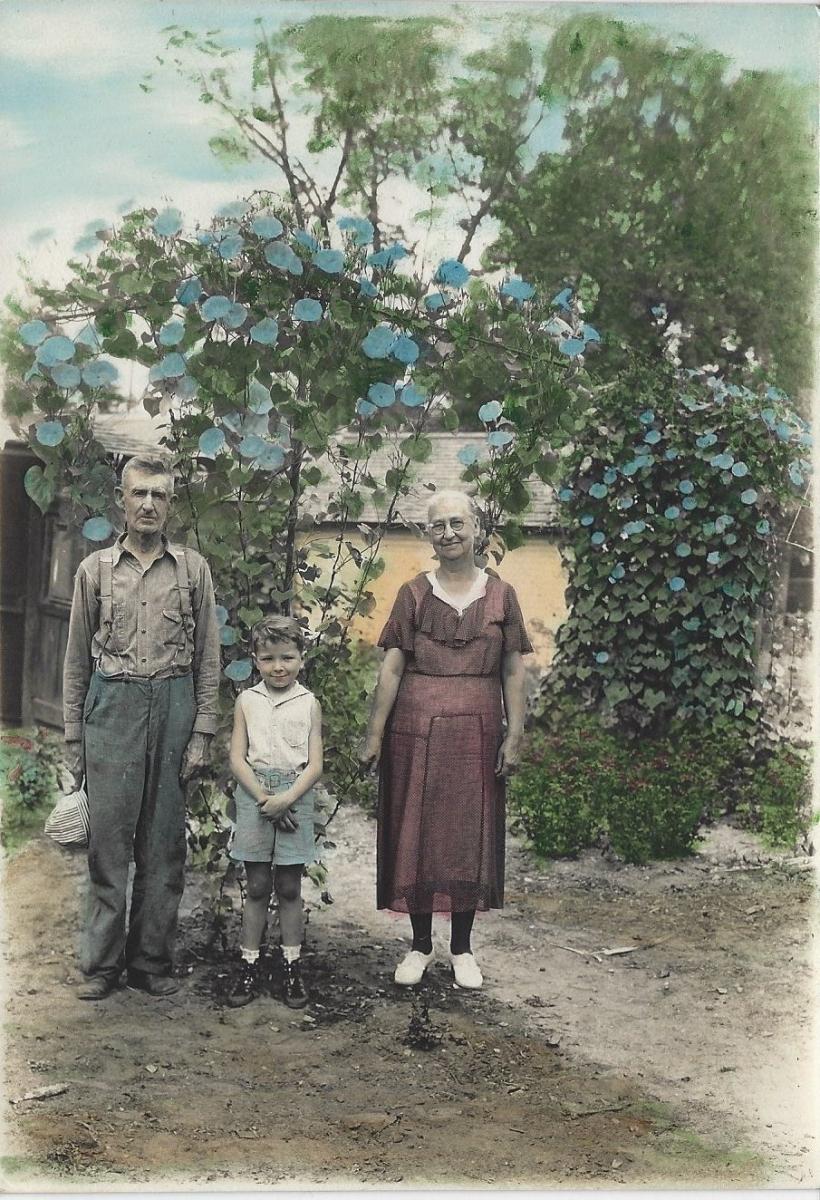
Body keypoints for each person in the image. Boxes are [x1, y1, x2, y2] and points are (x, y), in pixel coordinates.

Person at [359, 489, 532, 990]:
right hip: (415, 730)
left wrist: (514, 732)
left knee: (465, 834)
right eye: (439, 526)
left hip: (477, 731)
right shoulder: (413, 593)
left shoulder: (501, 595)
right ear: (428, 535)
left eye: (458, 524)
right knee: (416, 830)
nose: (450, 534)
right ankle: (418, 946)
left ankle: (461, 948)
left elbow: (512, 670)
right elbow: (392, 669)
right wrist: (374, 734)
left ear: (477, 529)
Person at [63, 454, 220, 1000]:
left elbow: (207, 659)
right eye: (139, 494)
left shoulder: (193, 569)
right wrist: (74, 740)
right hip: (113, 707)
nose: (149, 504)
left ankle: (150, 961)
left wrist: (201, 731)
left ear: (170, 503)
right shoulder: (94, 571)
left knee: (163, 845)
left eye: (159, 495)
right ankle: (102, 966)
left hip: (174, 705)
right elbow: (77, 663)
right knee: (108, 846)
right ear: (122, 501)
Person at [226, 615, 323, 1009]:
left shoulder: (308, 702)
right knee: (257, 886)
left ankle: (291, 966)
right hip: (254, 793)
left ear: (302, 657)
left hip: (295, 794)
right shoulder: (247, 700)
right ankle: (248, 964)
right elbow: (236, 758)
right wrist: (265, 799)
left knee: (288, 887)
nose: (278, 667)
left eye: (287, 657)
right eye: (268, 659)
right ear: (255, 659)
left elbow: (315, 764)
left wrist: (286, 799)